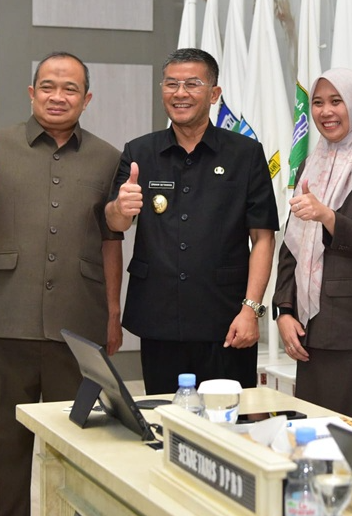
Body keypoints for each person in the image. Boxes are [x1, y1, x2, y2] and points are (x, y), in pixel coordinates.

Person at [105, 48, 278, 395]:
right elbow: (115, 223)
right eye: (171, 84)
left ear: (214, 94)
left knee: (227, 419)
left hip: (225, 318)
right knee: (164, 416)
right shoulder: (139, 152)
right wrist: (121, 208)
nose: (179, 93)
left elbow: (263, 238)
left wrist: (251, 310)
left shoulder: (245, 154)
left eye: (192, 84)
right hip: (158, 317)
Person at [0, 52, 123, 516]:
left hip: (78, 326)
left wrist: (113, 314)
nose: (58, 96)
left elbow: (112, 241)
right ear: (32, 93)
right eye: (48, 86)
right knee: (5, 447)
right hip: (7, 320)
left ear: (86, 99)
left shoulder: (108, 158)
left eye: (70, 88)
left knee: (76, 447)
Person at [273, 68, 352, 430]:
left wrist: (327, 215)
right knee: (314, 439)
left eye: (336, 101)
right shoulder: (311, 162)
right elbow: (292, 244)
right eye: (318, 103)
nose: (325, 111)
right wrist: (285, 309)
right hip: (310, 328)